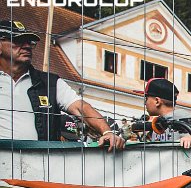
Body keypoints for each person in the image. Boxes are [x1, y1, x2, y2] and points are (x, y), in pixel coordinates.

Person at [0, 19, 123, 151]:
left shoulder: (50, 83)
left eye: (29, 42)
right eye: (18, 40)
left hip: (41, 160)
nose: (27, 46)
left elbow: (81, 108)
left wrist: (107, 132)